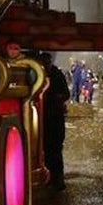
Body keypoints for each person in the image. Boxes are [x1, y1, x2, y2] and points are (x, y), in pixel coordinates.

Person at [38, 51, 70, 192]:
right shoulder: (37, 75)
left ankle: (58, 179)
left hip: (55, 118)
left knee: (55, 150)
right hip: (42, 119)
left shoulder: (57, 75)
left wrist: (57, 98)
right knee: (45, 150)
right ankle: (49, 178)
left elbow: (66, 94)